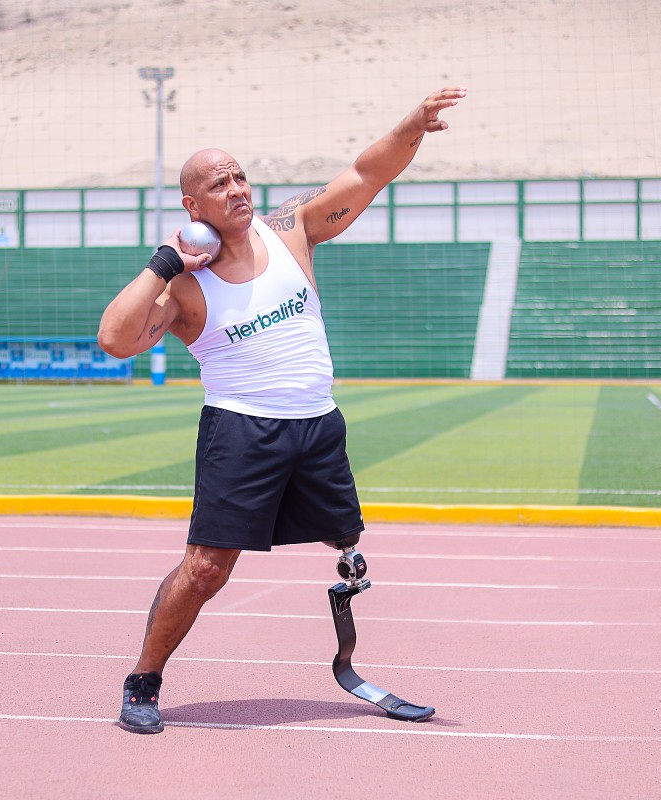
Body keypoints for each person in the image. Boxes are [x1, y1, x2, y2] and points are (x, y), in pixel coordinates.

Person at [97, 87, 466, 734]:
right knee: (206, 569)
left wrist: (410, 125)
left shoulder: (291, 228)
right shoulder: (184, 286)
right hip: (242, 430)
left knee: (346, 542)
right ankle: (143, 681)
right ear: (193, 206)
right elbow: (116, 339)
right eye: (219, 183)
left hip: (318, 425)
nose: (237, 189)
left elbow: (366, 174)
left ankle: (345, 642)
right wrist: (163, 262)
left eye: (240, 176)